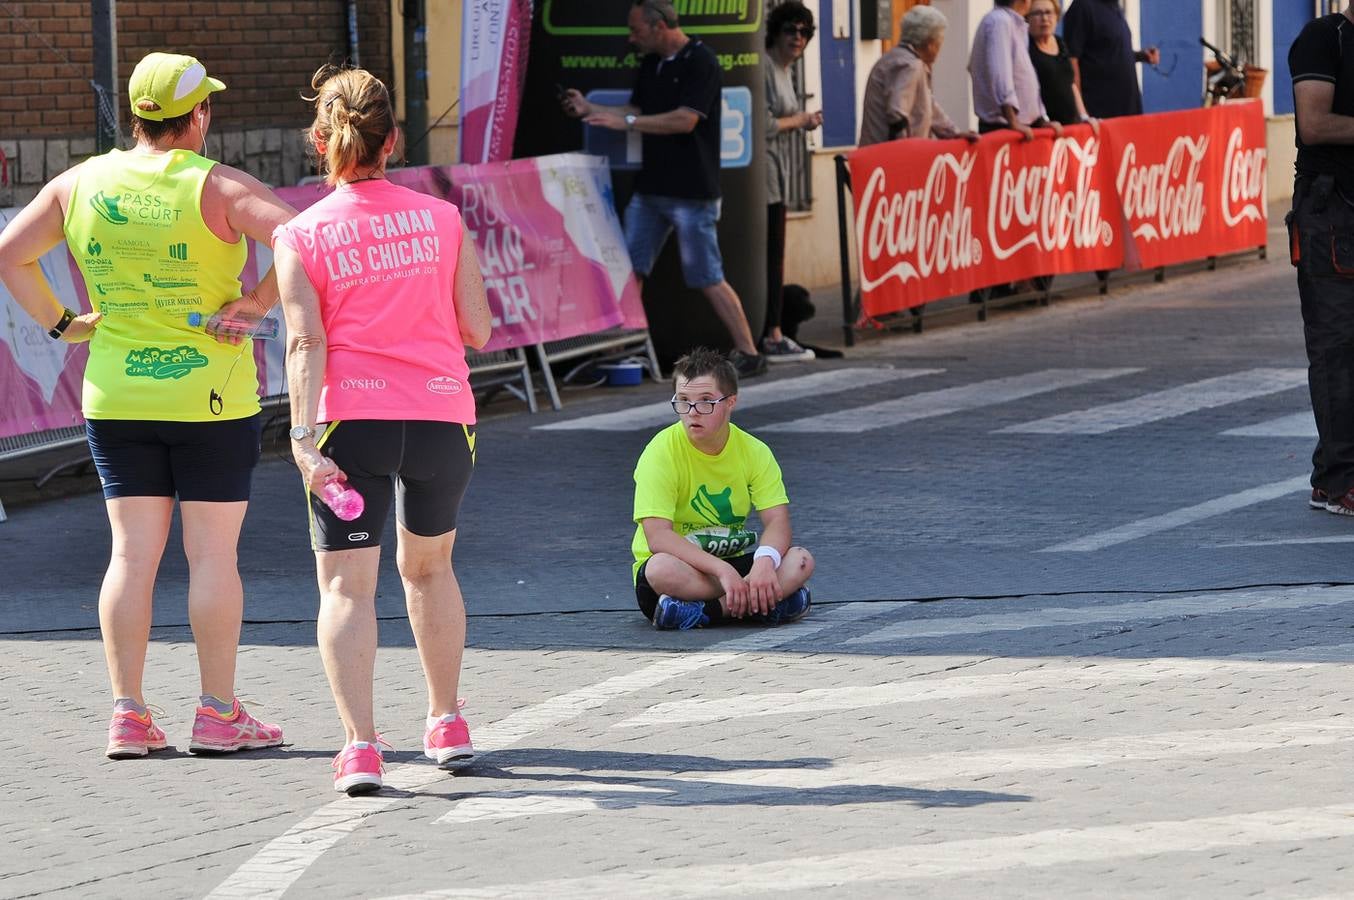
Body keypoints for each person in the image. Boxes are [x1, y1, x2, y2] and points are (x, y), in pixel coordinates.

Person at [0, 52, 290, 760]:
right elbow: (301, 238)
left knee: (130, 554)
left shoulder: (80, 183)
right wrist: (254, 304)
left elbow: (9, 252)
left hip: (115, 392)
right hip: (211, 397)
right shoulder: (218, 184)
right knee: (212, 554)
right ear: (199, 116)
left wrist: (65, 324)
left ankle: (128, 714)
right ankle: (218, 713)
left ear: (135, 116)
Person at [275, 64, 493, 795]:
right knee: (430, 569)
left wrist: (302, 439)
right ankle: (446, 723)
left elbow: (307, 345)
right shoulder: (441, 218)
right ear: (393, 141)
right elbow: (481, 330)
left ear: (318, 140)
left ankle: (362, 749)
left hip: (351, 420)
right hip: (439, 415)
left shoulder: (299, 234)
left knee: (346, 589)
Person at [561, 0, 767, 378]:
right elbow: (637, 109)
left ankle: (749, 350)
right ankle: (620, 352)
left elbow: (684, 120)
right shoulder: (651, 64)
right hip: (652, 189)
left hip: (692, 192)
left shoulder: (702, 61)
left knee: (707, 275)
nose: (631, 38)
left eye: (636, 30)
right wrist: (589, 107)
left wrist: (629, 123)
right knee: (630, 269)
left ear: (659, 26)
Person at [631, 347, 815, 631]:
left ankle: (708, 612)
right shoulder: (659, 452)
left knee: (800, 559)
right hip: (683, 569)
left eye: (706, 402)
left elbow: (777, 521)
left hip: (727, 566)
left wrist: (764, 563)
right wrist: (722, 570)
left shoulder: (754, 451)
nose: (692, 413)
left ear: (731, 402)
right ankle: (763, 604)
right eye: (683, 401)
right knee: (659, 568)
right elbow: (658, 537)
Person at [1288, 4, 1354, 516]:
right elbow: (1313, 124)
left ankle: (1329, 468)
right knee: (1337, 349)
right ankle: (1339, 482)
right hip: (1332, 214)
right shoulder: (1323, 37)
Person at [762, 1, 821, 364]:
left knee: (777, 255)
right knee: (771, 254)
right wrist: (801, 120)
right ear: (775, 32)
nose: (797, 38)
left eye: (803, 32)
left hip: (781, 172)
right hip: (765, 174)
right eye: (790, 30)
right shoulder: (767, 68)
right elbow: (763, 125)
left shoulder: (785, 70)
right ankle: (772, 333)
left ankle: (775, 329)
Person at [859, 6, 977, 145]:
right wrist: (907, 153)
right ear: (929, 44)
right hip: (889, 157)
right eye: (939, 42)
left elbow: (930, 108)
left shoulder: (893, 58)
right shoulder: (910, 65)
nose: (940, 48)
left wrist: (954, 133)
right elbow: (897, 114)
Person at [969, 0, 1062, 139]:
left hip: (1021, 125)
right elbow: (1001, 75)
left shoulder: (1014, 24)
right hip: (1005, 127)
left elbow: (1024, 75)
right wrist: (1013, 121)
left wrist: (1040, 120)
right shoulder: (1000, 22)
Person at [1062, 0, 1160, 119]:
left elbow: (1109, 52)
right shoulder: (1083, 7)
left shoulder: (1114, 7)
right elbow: (1071, 60)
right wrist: (1081, 111)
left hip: (1128, 109)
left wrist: (1142, 56)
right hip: (1101, 112)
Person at [1027, 0, 1097, 127]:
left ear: (1057, 17)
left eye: (1049, 13)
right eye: (1037, 13)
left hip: (1070, 125)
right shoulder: (1026, 47)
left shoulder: (1060, 43)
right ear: (1027, 18)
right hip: (1045, 128)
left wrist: (1083, 116)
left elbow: (1071, 83)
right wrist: (1042, 121)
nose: (1044, 18)